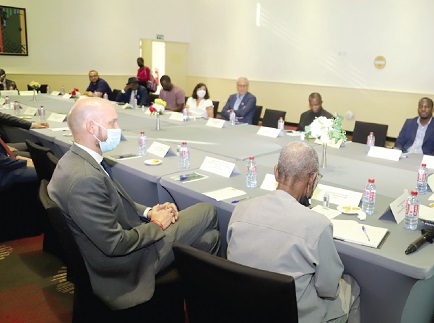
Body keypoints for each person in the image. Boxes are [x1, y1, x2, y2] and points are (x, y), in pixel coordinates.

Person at [48, 97, 222, 310]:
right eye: (112, 123)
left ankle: (204, 304)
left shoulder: (74, 160)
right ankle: (213, 305)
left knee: (208, 238)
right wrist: (157, 224)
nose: (118, 129)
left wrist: (150, 212)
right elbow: (116, 244)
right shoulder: (85, 179)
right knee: (207, 210)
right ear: (91, 127)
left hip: (122, 243)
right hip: (124, 264)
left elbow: (114, 202)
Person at [227, 141, 360, 323]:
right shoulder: (318, 224)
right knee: (351, 287)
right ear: (312, 179)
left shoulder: (240, 210)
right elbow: (327, 289)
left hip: (243, 308)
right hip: (291, 316)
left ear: (276, 172)